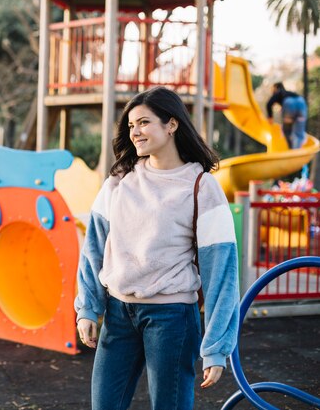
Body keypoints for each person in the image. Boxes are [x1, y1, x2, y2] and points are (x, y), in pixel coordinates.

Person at [75, 86, 240, 410]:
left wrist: (216, 346)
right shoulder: (119, 180)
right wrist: (88, 307)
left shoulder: (201, 186)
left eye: (144, 122)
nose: (135, 131)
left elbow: (221, 270)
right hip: (119, 312)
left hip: (172, 318)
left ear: (172, 124)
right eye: (131, 125)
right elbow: (93, 248)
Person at [266, 82, 308, 149]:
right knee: (299, 133)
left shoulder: (279, 92)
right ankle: (297, 151)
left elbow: (269, 104)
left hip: (289, 103)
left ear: (276, 87)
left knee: (287, 130)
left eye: (272, 88)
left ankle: (291, 150)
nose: (272, 90)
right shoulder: (289, 93)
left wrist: (270, 118)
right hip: (301, 102)